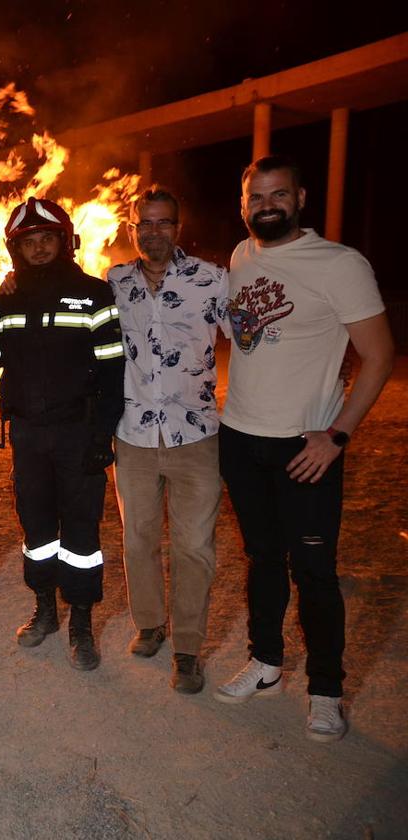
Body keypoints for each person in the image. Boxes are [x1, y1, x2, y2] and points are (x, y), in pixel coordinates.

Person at [213, 156, 393, 742]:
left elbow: (380, 356)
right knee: (263, 561)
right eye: (256, 197)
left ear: (300, 198)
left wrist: (337, 434)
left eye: (278, 194)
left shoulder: (339, 265)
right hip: (240, 439)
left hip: (305, 448)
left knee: (315, 572)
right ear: (244, 206)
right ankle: (266, 664)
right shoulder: (241, 257)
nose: (267, 205)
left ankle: (325, 691)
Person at [0, 197, 125, 670]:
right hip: (29, 435)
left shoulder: (94, 294)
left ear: (64, 241)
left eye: (47, 238)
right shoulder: (6, 300)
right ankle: (45, 609)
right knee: (37, 528)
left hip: (78, 433)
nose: (40, 247)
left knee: (82, 532)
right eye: (29, 241)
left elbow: (113, 369)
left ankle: (82, 624)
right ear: (16, 249)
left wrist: (102, 435)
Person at [107, 188, 228, 693]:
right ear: (132, 229)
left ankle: (188, 649)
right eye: (145, 224)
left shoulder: (212, 279)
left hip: (195, 435)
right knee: (137, 539)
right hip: (132, 434)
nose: (154, 232)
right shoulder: (114, 283)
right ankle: (151, 625)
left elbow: (247, 342)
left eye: (164, 223)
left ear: (178, 227)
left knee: (194, 545)